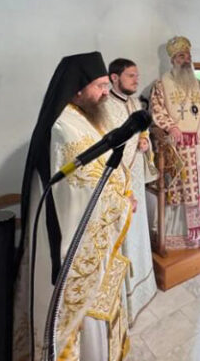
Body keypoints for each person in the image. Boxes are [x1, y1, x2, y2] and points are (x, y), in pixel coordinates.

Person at [14, 52, 132, 361]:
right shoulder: (63, 127)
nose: (106, 93)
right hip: (69, 243)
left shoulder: (84, 117)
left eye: (106, 85)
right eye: (100, 86)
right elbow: (82, 188)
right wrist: (122, 200)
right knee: (76, 326)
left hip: (89, 237)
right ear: (77, 89)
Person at [149, 36, 200, 250]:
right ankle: (178, 237)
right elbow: (156, 109)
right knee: (180, 192)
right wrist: (171, 127)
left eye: (188, 55)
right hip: (178, 147)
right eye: (181, 56)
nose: (186, 59)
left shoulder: (199, 85)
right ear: (173, 59)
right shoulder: (162, 84)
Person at [103, 58, 157, 326]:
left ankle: (145, 287)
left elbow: (143, 129)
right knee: (123, 231)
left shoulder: (135, 104)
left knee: (138, 228)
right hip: (117, 179)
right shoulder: (104, 106)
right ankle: (127, 300)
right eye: (131, 76)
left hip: (134, 175)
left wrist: (145, 141)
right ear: (115, 78)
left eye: (137, 75)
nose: (137, 80)